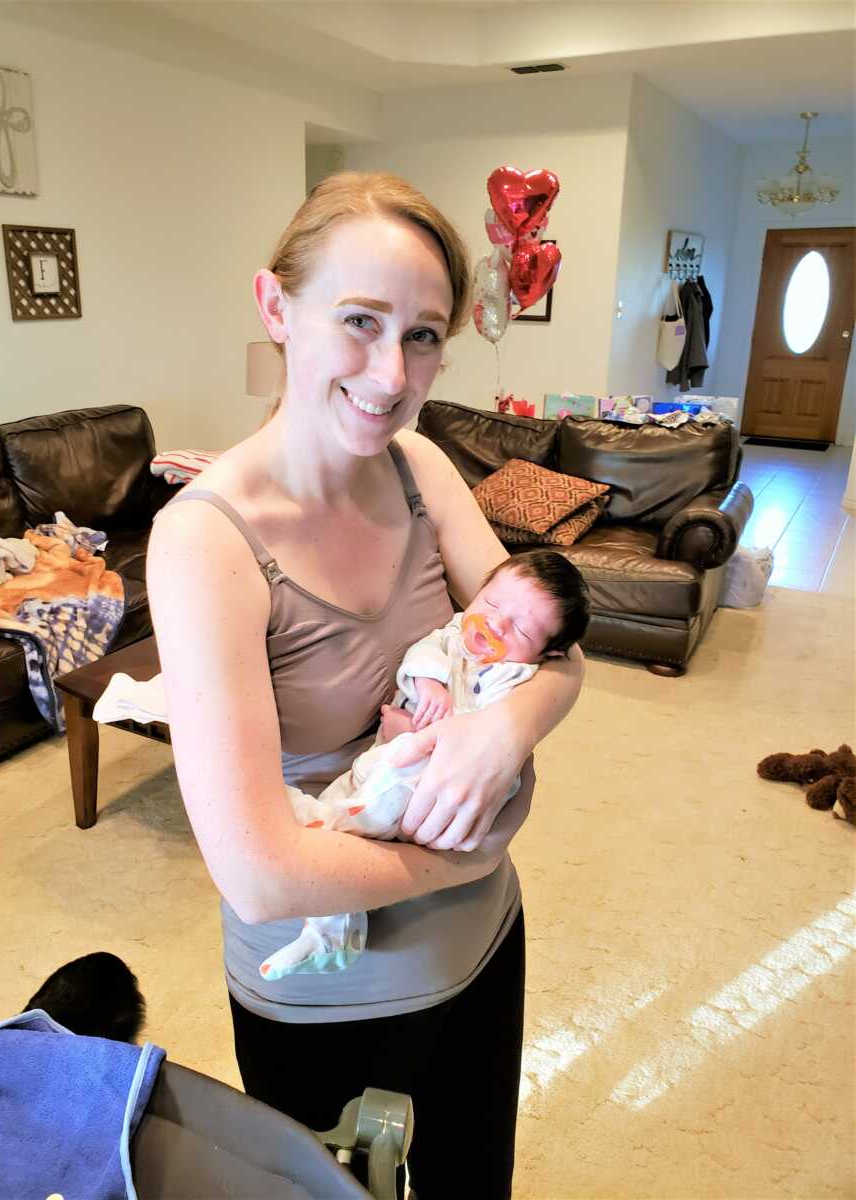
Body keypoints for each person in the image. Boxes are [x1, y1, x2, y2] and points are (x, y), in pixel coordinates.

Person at [146, 171, 585, 1198]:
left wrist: (503, 730)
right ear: (275, 308)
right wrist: (470, 852)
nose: (393, 375)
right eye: (359, 321)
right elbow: (259, 872)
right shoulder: (205, 545)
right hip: (329, 997)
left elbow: (560, 648)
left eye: (425, 334)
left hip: (485, 945)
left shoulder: (419, 470)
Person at [259, 549, 590, 982]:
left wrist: (426, 731)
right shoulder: (453, 636)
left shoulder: (514, 677)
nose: (496, 624)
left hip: (438, 786)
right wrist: (427, 685)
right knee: (351, 790)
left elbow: (486, 744)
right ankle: (331, 933)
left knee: (369, 805)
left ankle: (327, 831)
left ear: (544, 655)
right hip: (383, 762)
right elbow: (423, 653)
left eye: (522, 629)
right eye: (492, 602)